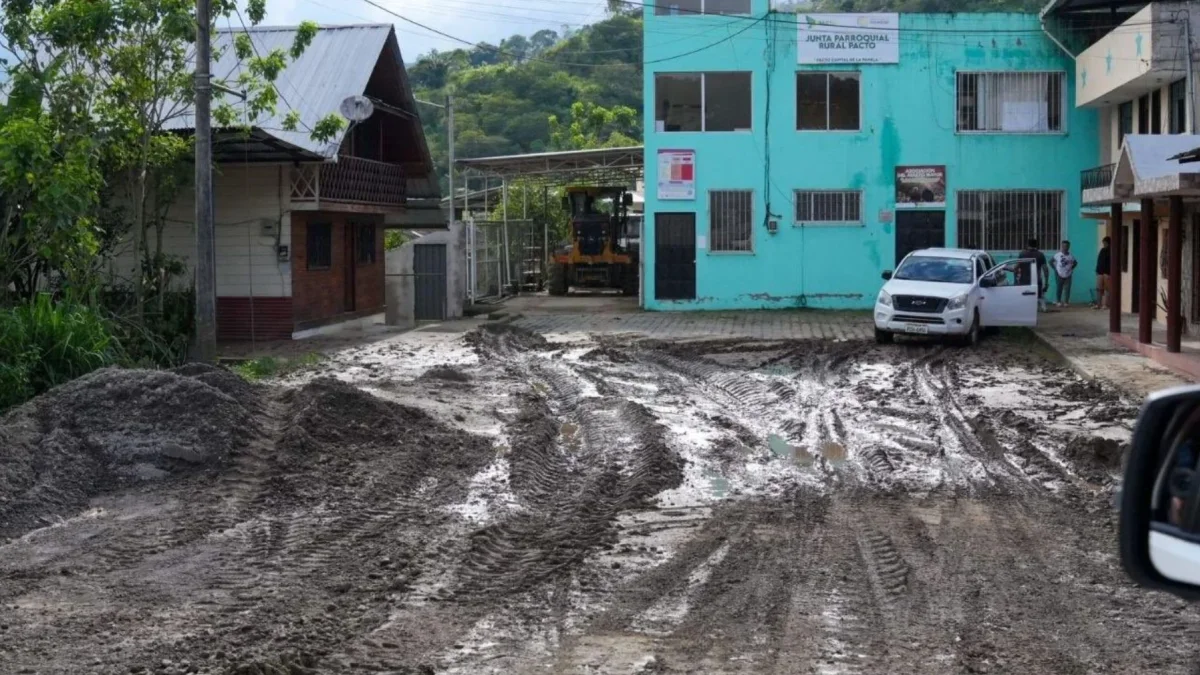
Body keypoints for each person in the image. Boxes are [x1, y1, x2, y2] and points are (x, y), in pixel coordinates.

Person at [1019, 238, 1049, 312]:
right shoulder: (1040, 255)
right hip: (1036, 278)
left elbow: (1017, 267)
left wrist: (1007, 268)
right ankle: (1043, 308)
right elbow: (1045, 269)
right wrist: (1046, 282)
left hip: (1024, 279)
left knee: (1024, 294)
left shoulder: (1022, 254)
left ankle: (1027, 309)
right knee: (1039, 294)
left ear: (1027, 245)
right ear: (1036, 245)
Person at [1051, 240, 1078, 307]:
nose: (1065, 247)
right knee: (1059, 288)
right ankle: (1058, 301)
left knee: (1067, 289)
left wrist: (1071, 268)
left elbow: (1075, 263)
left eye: (1067, 246)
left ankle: (1066, 302)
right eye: (1064, 246)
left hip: (1068, 275)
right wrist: (1055, 269)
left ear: (1069, 247)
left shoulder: (1071, 256)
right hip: (1059, 274)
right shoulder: (1058, 255)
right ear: (1062, 246)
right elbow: (1050, 261)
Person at [1096, 237, 1112, 309]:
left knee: (1107, 289)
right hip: (1100, 272)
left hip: (1107, 272)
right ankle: (1098, 304)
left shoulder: (1111, 250)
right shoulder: (1102, 250)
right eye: (1103, 243)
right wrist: (1097, 270)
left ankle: (1105, 304)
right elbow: (1099, 260)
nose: (1104, 244)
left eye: (1105, 243)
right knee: (1099, 288)